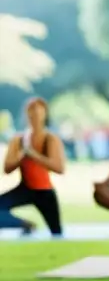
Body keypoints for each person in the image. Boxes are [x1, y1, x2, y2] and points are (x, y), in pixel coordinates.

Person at [0, 97, 65, 235]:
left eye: (38, 111)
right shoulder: (18, 140)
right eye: (31, 111)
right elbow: (6, 168)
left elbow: (59, 168)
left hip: (45, 191)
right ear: (26, 114)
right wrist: (21, 157)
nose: (35, 115)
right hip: (25, 189)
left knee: (57, 232)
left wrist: (35, 155)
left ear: (45, 114)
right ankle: (25, 224)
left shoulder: (50, 139)